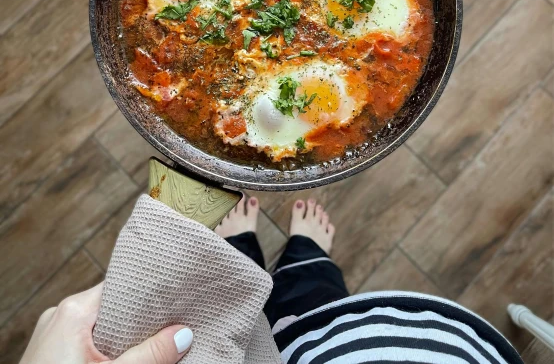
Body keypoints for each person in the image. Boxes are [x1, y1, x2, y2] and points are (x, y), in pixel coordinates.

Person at [20, 199, 523, 364]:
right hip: (358, 344)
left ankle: (240, 252)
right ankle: (301, 254)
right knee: (314, 293)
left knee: (250, 288)